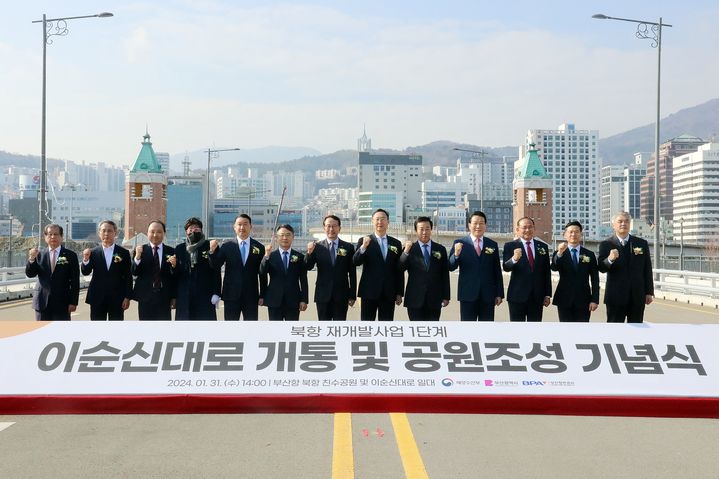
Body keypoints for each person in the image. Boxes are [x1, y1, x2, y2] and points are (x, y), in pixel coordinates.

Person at [598, 211, 654, 323]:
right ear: (613, 225)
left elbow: (647, 269)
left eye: (626, 221)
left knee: (637, 330)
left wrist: (649, 292)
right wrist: (610, 259)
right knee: (614, 330)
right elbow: (601, 268)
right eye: (620, 221)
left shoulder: (641, 243)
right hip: (615, 296)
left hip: (637, 296)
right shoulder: (606, 244)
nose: (623, 224)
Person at [208, 214, 267, 321]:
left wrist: (262, 294)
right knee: (231, 330)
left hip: (251, 295)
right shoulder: (227, 246)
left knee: (251, 328)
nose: (242, 227)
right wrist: (211, 252)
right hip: (231, 295)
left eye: (245, 224)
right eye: (239, 224)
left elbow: (262, 273)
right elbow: (216, 266)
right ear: (234, 227)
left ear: (251, 227)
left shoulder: (259, 247)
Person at [448, 211, 503, 321]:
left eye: (481, 223)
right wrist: (456, 254)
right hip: (467, 294)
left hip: (488, 295)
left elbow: (497, 271)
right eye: (475, 223)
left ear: (485, 226)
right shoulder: (459, 243)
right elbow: (450, 266)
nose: (478, 226)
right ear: (469, 225)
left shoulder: (492, 244)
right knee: (468, 330)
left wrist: (499, 294)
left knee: (486, 330)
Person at [353, 208, 404, 321]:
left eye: (383, 219)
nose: (380, 222)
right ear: (372, 221)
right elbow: (356, 262)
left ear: (388, 222)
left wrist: (399, 292)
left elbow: (398, 270)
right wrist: (363, 247)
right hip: (369, 291)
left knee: (386, 326)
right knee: (367, 324)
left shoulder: (396, 243)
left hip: (389, 292)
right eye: (377, 219)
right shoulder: (364, 240)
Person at [304, 214, 356, 321]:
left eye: (334, 226)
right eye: (328, 226)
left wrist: (352, 295)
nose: (331, 229)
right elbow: (308, 266)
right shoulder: (317, 247)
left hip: (341, 295)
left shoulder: (348, 247)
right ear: (324, 228)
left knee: (340, 328)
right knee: (324, 328)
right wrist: (309, 252)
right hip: (323, 295)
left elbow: (352, 273)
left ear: (339, 228)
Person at [399, 216, 450, 321]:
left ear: (431, 229)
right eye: (421, 229)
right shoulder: (410, 248)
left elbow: (444, 274)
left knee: (432, 332)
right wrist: (406, 252)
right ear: (416, 231)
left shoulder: (440, 249)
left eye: (427, 229)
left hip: (435, 299)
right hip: (414, 298)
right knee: (416, 332)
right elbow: (399, 268)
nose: (424, 232)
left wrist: (446, 296)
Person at [25, 224, 79, 321]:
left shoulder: (71, 255)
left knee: (61, 334)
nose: (53, 237)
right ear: (45, 237)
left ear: (61, 237)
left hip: (62, 303)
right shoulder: (39, 254)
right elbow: (30, 274)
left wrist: (73, 302)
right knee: (42, 333)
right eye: (50, 234)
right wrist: (31, 259)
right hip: (42, 302)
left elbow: (75, 281)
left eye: (56, 234)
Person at [81, 220, 132, 321]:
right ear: (99, 233)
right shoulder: (93, 253)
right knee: (97, 330)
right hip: (97, 297)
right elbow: (85, 272)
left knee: (116, 329)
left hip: (117, 298)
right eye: (103, 231)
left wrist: (127, 297)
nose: (106, 234)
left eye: (109, 231)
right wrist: (86, 260)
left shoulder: (123, 253)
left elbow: (128, 276)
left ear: (115, 233)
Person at [502, 217, 552, 322]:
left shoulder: (542, 247)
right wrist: (514, 259)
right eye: (524, 227)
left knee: (535, 331)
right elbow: (506, 267)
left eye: (530, 227)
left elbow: (546, 272)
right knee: (517, 330)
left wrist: (547, 294)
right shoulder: (510, 246)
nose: (527, 230)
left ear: (534, 228)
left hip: (537, 296)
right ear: (517, 229)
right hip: (517, 296)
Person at [550, 221, 599, 322]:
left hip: (584, 299)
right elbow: (554, 267)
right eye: (570, 232)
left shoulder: (589, 254)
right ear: (565, 235)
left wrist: (594, 300)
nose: (573, 234)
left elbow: (595, 279)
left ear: (581, 234)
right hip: (564, 298)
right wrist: (559, 253)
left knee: (582, 331)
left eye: (577, 232)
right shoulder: (559, 252)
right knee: (565, 331)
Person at [174, 217, 222, 321]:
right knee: (185, 330)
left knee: (205, 329)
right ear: (186, 231)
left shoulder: (209, 245)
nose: (193, 231)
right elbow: (176, 274)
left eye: (196, 228)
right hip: (185, 296)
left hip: (205, 295)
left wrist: (216, 293)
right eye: (190, 229)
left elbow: (216, 269)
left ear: (201, 230)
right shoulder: (179, 249)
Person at [259, 224, 308, 321]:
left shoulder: (299, 257)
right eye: (281, 235)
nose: (285, 238)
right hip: (274, 300)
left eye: (288, 235)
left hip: (293, 300)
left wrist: (304, 300)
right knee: (275, 332)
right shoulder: (270, 256)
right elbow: (262, 273)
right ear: (276, 238)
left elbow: (303, 280)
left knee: (291, 331)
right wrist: (266, 256)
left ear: (293, 237)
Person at [131, 220, 177, 321]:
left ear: (164, 233)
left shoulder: (171, 251)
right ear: (147, 233)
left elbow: (174, 277)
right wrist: (137, 257)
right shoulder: (140, 250)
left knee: (163, 329)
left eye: (159, 232)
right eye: (152, 231)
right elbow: (134, 272)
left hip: (164, 297)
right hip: (145, 297)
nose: (155, 235)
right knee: (146, 330)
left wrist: (174, 297)